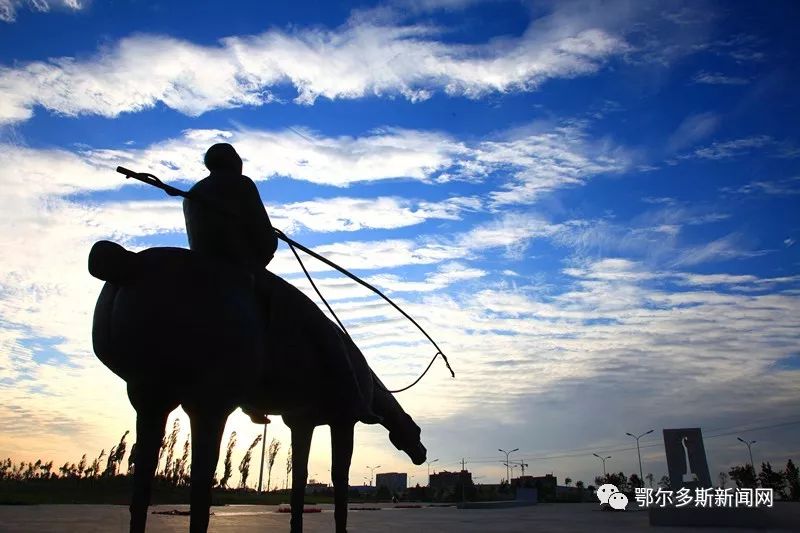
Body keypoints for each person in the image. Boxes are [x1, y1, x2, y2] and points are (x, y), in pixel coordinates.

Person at [183, 143, 379, 424]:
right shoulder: (241, 184)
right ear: (233, 162)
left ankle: (250, 401)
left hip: (204, 270)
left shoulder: (192, 194)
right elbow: (265, 242)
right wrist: (266, 244)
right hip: (240, 270)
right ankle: (355, 398)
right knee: (318, 321)